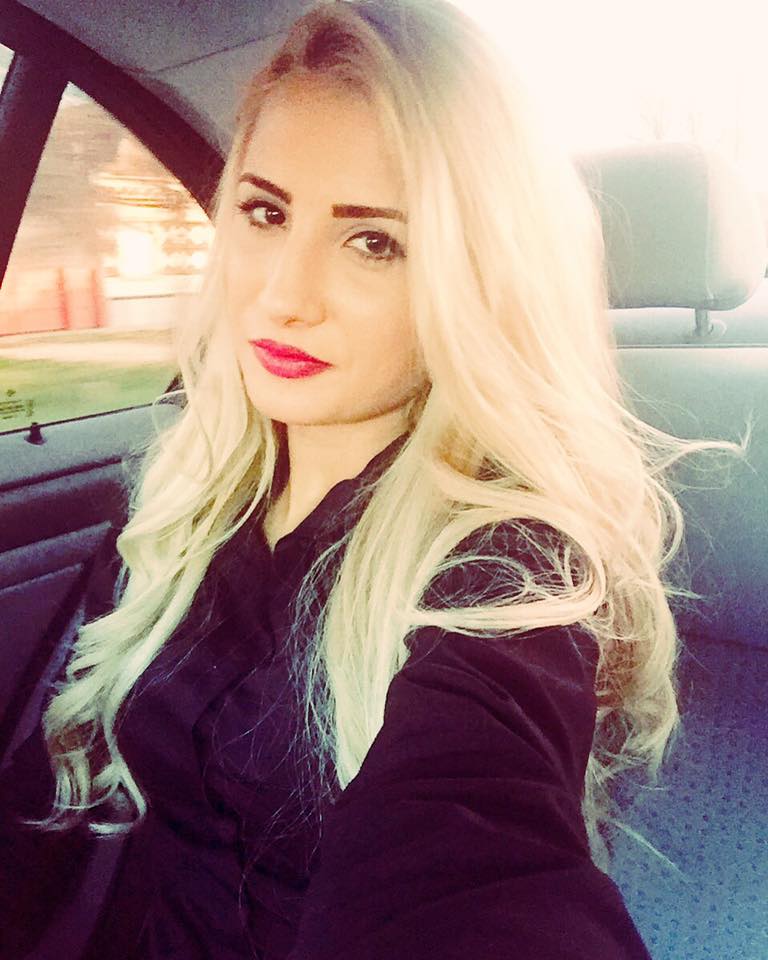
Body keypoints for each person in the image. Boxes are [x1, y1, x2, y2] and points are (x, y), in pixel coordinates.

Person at [0, 1, 744, 958]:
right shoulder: (187, 494)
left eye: (374, 242)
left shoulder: (506, 574)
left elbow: (470, 855)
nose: (283, 295)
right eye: (266, 213)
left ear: (476, 280)